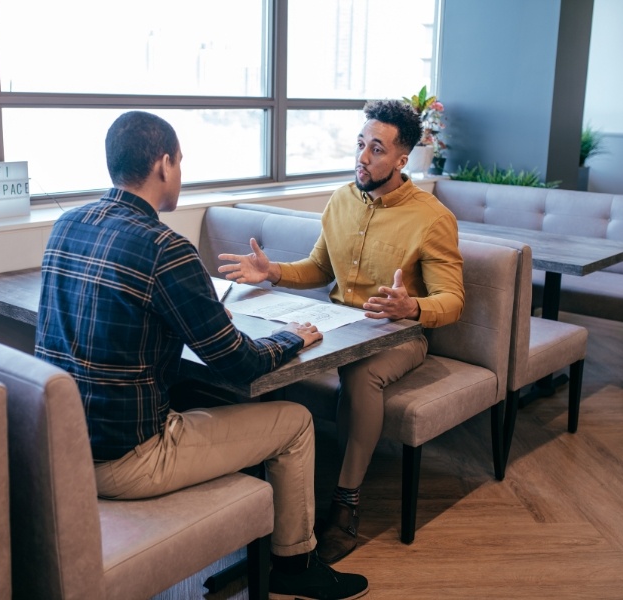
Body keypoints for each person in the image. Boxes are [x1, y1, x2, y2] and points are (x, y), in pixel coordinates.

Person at [34, 110, 369, 600]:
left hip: (62, 445)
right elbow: (242, 363)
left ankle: (251, 532)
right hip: (128, 459)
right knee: (296, 423)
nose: (180, 174)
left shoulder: (67, 225)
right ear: (164, 164)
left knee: (199, 392)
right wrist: (294, 337)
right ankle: (294, 567)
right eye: (181, 162)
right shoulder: (165, 247)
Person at [218, 99, 465, 564]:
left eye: (376, 149)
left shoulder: (432, 217)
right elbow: (317, 268)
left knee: (361, 376)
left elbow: (452, 300)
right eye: (360, 144)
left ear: (400, 159)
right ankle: (265, 492)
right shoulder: (341, 199)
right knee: (274, 350)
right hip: (341, 325)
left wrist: (411, 306)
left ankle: (346, 503)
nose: (363, 157)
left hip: (397, 336)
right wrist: (272, 272)